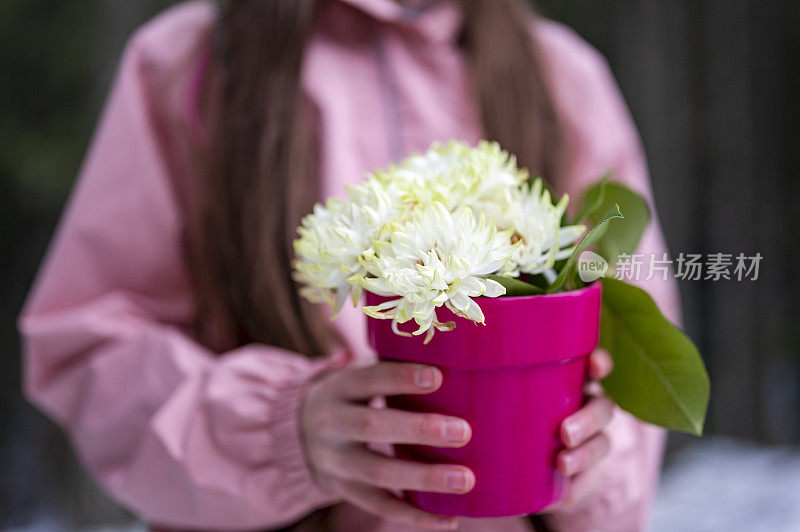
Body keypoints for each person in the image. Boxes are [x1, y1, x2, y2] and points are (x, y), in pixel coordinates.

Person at [19, 0, 681, 530]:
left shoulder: (561, 78)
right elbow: (86, 347)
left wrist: (593, 453)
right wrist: (278, 430)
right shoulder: (186, 63)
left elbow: (627, 361)